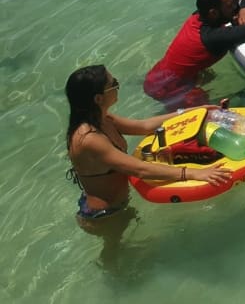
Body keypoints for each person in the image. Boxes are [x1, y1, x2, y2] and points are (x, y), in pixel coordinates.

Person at [65, 64, 231, 251]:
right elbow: (139, 169)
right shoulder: (89, 139)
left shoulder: (102, 118)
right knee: (114, 254)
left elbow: (144, 126)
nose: (118, 86)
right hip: (104, 215)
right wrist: (193, 173)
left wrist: (192, 113)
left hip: (113, 204)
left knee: (125, 249)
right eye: (114, 84)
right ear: (98, 98)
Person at [143, 0, 245, 109]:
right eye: (229, 6)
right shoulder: (212, 37)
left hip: (159, 76)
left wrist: (244, 8)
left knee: (209, 78)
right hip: (167, 87)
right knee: (208, 114)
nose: (233, 7)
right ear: (214, 13)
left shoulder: (199, 16)